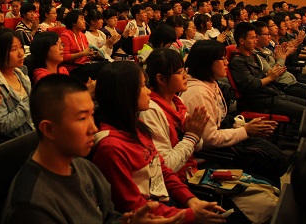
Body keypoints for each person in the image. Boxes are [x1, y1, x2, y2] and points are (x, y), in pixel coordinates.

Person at [3, 74, 183, 224]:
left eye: (92, 115)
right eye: (82, 118)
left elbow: (108, 217)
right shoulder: (32, 206)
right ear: (49, 129)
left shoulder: (84, 167)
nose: (94, 128)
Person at [92, 62, 225, 223]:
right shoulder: (110, 147)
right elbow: (134, 206)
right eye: (143, 86)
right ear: (125, 94)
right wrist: (189, 215)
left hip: (168, 204)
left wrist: (191, 200)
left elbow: (162, 171)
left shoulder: (138, 128)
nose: (149, 91)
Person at [182, 40, 287, 183]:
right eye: (222, 59)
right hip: (209, 157)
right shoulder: (198, 93)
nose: (227, 62)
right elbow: (209, 139)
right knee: (269, 168)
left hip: (222, 146)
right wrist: (245, 131)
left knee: (274, 159)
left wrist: (245, 127)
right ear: (207, 62)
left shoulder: (211, 83)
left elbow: (220, 123)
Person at [140, 48, 208, 180]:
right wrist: (192, 136)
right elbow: (166, 166)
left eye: (184, 70)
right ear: (161, 79)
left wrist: (195, 133)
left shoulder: (177, 102)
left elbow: (198, 146)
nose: (185, 76)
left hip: (192, 172)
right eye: (179, 72)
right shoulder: (150, 111)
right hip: (176, 181)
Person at [229, 22, 306, 121]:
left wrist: (269, 74)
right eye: (252, 38)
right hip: (262, 101)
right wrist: (270, 77)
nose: (255, 40)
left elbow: (262, 75)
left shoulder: (252, 55)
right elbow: (251, 84)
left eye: (256, 37)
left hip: (274, 93)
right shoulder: (238, 61)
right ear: (241, 41)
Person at [0, 29, 34, 138]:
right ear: (0, 53)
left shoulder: (21, 74)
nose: (21, 53)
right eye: (14, 49)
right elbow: (2, 125)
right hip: (17, 141)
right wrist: (30, 103)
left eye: (21, 47)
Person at [60, 10, 109, 83]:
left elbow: (85, 54)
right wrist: (83, 54)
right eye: (81, 19)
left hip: (85, 65)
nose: (84, 21)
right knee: (106, 66)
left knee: (108, 65)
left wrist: (90, 55)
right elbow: (64, 57)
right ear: (73, 22)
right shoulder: (65, 36)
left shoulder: (82, 35)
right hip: (73, 68)